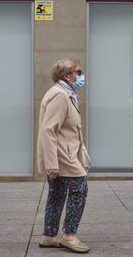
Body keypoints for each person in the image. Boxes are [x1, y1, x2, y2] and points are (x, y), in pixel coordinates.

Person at [37, 59, 90, 254]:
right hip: (62, 156)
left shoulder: (66, 93)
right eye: (78, 72)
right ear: (67, 76)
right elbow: (49, 131)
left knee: (57, 194)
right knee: (80, 189)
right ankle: (69, 237)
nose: (81, 76)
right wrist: (52, 164)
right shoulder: (60, 95)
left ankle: (49, 237)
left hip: (63, 153)